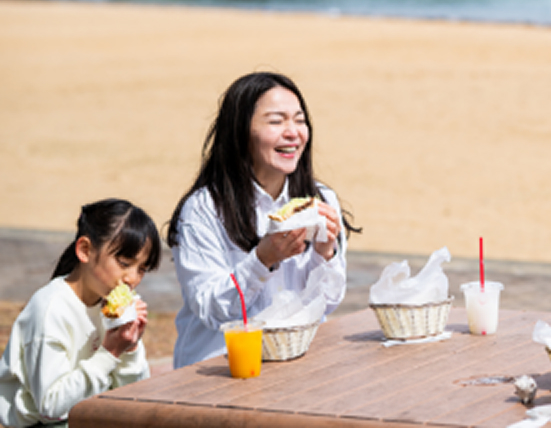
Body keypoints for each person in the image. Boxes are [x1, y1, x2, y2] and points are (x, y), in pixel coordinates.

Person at [167, 71, 359, 368]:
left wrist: (325, 254)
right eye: (276, 121)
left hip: (295, 364)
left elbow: (327, 303)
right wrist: (262, 260)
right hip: (220, 369)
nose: (293, 133)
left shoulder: (321, 199)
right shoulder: (203, 210)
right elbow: (210, 309)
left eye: (299, 120)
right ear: (240, 132)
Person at [0, 199, 161, 427]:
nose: (132, 279)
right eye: (124, 263)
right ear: (85, 250)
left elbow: (134, 397)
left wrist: (130, 348)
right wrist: (110, 353)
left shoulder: (113, 309)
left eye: (142, 269)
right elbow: (50, 408)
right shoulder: (50, 309)